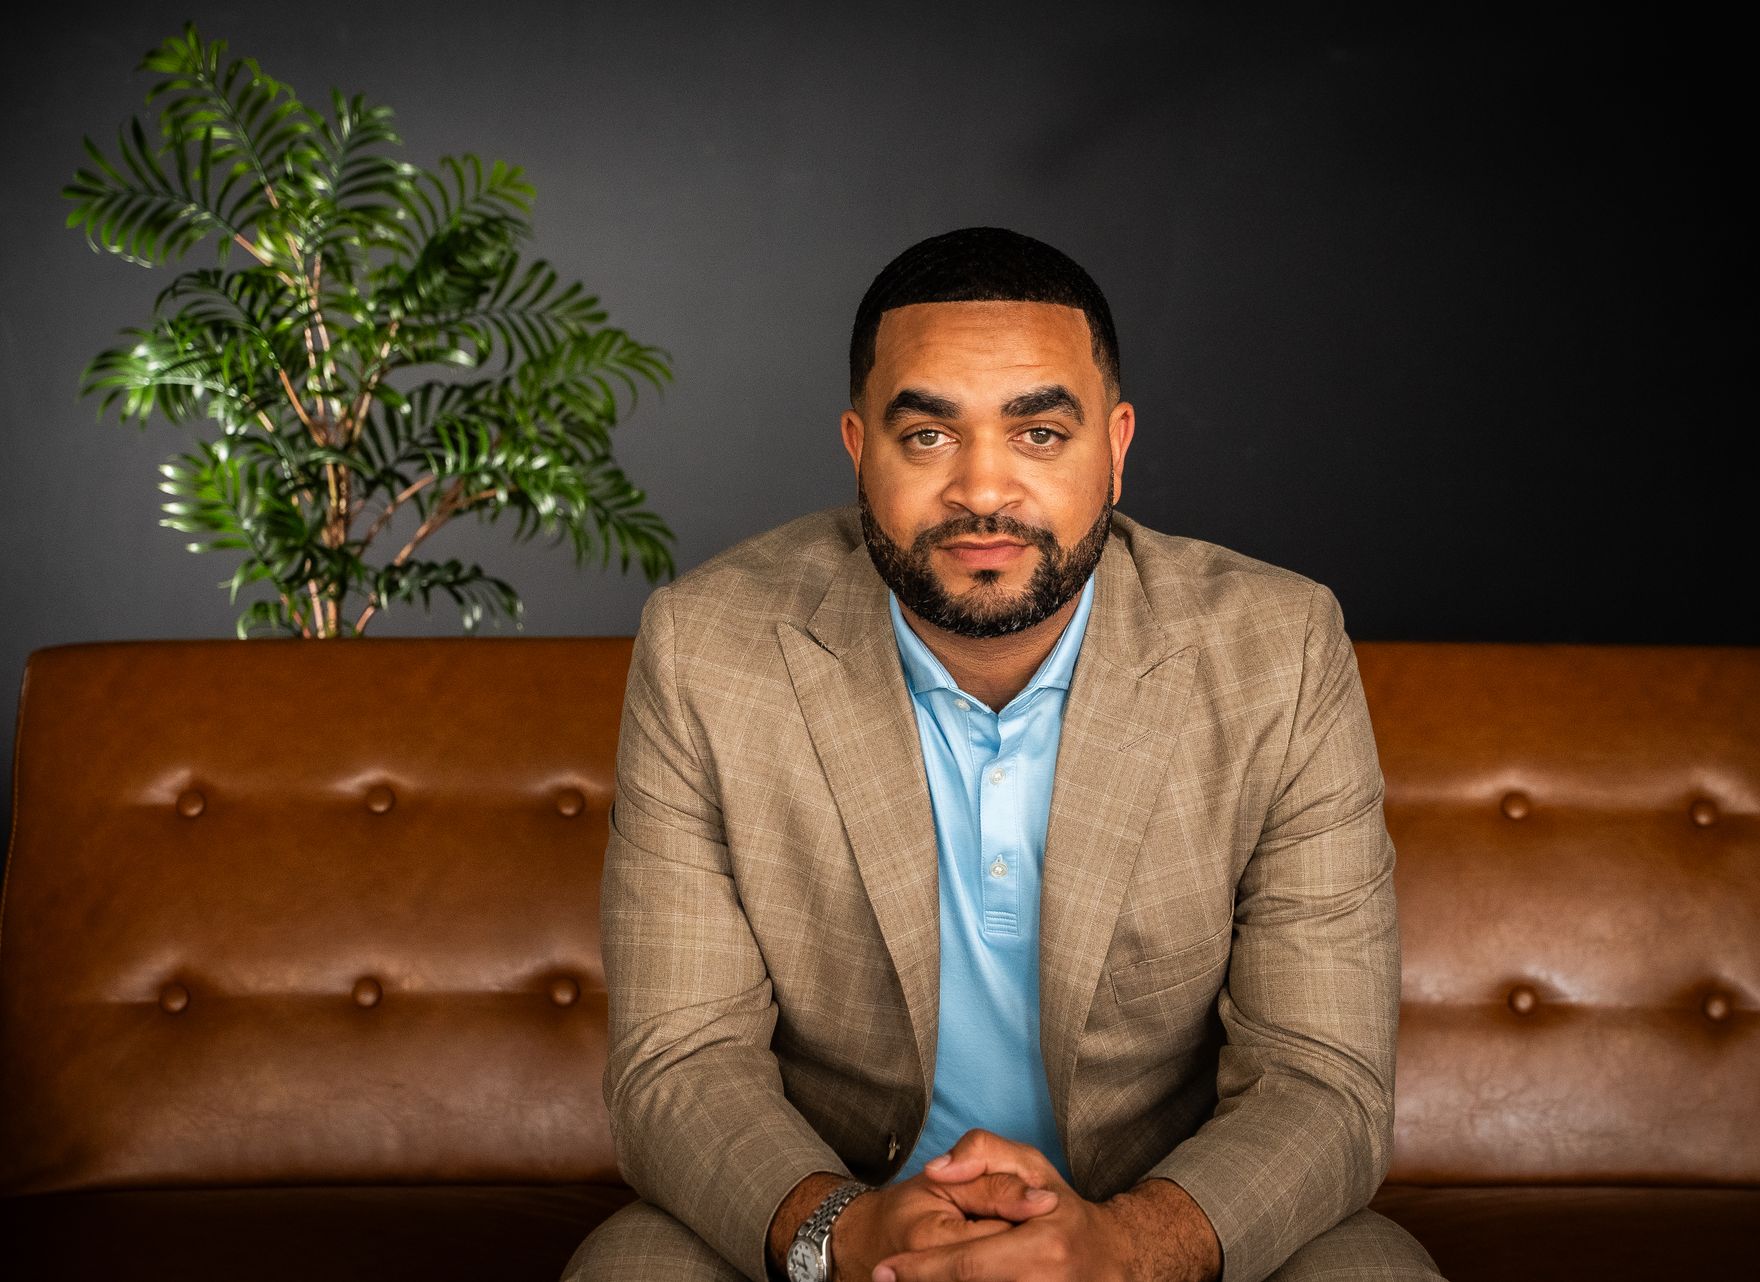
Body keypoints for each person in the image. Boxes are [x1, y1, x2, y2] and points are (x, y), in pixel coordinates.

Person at [565, 227, 1444, 1282]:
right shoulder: (707, 647)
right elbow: (679, 1061)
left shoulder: (1280, 650)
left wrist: (1125, 1246)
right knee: (633, 1264)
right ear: (858, 448)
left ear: (1116, 446)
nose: (984, 490)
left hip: (1149, 1223)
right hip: (855, 1225)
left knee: (1371, 1270)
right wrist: (845, 1231)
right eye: (928, 436)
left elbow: (1324, 1077)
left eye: (1039, 434)